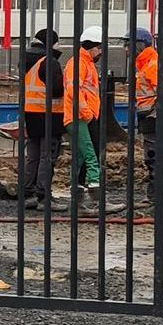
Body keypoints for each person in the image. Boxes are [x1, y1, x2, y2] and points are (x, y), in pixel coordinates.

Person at [19, 29, 63, 203]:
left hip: (30, 113)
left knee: (33, 154)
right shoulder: (49, 61)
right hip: (49, 115)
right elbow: (57, 89)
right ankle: (44, 196)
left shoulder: (26, 60)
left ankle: (27, 193)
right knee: (48, 155)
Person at [61, 27, 103, 201]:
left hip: (84, 115)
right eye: (99, 47)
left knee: (81, 157)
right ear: (90, 46)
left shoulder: (86, 63)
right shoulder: (78, 63)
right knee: (91, 154)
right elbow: (74, 90)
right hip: (79, 116)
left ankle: (77, 194)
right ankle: (96, 194)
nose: (101, 51)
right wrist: (87, 114)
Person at [132, 27, 163, 180]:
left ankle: (156, 196)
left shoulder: (152, 66)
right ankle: (155, 195)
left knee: (153, 155)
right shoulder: (145, 65)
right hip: (149, 115)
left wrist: (153, 112)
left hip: (153, 116)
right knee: (151, 154)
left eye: (129, 44)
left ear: (140, 44)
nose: (126, 49)